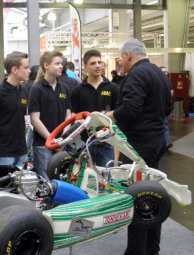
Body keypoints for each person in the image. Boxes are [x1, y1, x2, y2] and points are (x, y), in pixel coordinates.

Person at [106, 39, 172, 255]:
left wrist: (108, 116)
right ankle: (151, 249)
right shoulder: (159, 74)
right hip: (156, 140)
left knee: (136, 197)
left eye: (121, 59)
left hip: (138, 145)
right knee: (152, 197)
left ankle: (136, 251)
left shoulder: (137, 74)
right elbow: (168, 106)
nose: (121, 64)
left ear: (128, 55)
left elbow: (130, 109)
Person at [71, 49, 119, 167]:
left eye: (99, 62)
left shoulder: (113, 88)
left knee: (107, 178)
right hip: (85, 144)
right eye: (93, 63)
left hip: (107, 143)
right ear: (85, 67)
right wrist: (84, 124)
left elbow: (119, 112)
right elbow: (73, 114)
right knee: (85, 179)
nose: (98, 66)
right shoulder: (77, 90)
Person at [28, 51, 71, 180]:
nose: (61, 66)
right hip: (43, 145)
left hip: (62, 144)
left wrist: (62, 139)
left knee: (62, 181)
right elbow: (35, 120)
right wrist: (52, 141)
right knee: (46, 183)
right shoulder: (37, 89)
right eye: (57, 63)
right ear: (46, 65)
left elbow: (68, 116)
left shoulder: (65, 88)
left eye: (61, 63)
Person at [0, 51, 30, 166]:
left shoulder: (24, 91)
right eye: (26, 67)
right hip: (3, 154)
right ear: (15, 70)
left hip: (22, 151)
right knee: (5, 183)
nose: (29, 71)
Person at [22, 65, 40, 162]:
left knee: (29, 134)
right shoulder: (35, 86)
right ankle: (29, 153)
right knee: (31, 134)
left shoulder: (25, 85)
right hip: (31, 114)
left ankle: (28, 153)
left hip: (27, 113)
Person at [160, 66, 174, 149]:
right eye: (164, 72)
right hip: (159, 108)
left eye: (166, 72)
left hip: (165, 107)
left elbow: (172, 93)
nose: (166, 74)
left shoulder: (168, 82)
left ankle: (166, 142)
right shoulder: (156, 81)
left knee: (164, 125)